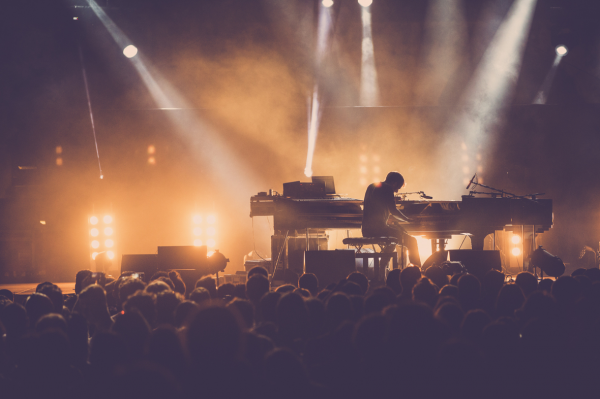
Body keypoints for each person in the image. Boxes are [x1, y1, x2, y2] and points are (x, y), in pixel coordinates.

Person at [362, 171, 421, 267]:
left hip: (366, 229)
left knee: (393, 239)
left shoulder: (371, 186)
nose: (396, 191)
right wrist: (407, 220)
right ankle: (417, 270)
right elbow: (393, 210)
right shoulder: (387, 188)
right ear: (394, 183)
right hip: (378, 229)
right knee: (412, 241)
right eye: (397, 188)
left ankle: (382, 267)